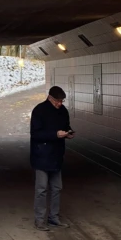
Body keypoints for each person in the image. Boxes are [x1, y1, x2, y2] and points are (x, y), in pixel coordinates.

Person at [30, 85, 75, 231]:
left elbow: (67, 126)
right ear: (50, 98)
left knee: (57, 188)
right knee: (41, 189)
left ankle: (54, 218)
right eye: (57, 100)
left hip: (56, 155)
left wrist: (68, 133)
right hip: (42, 155)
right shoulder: (39, 110)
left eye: (62, 101)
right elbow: (36, 134)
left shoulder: (63, 111)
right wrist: (55, 135)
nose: (60, 103)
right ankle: (39, 220)